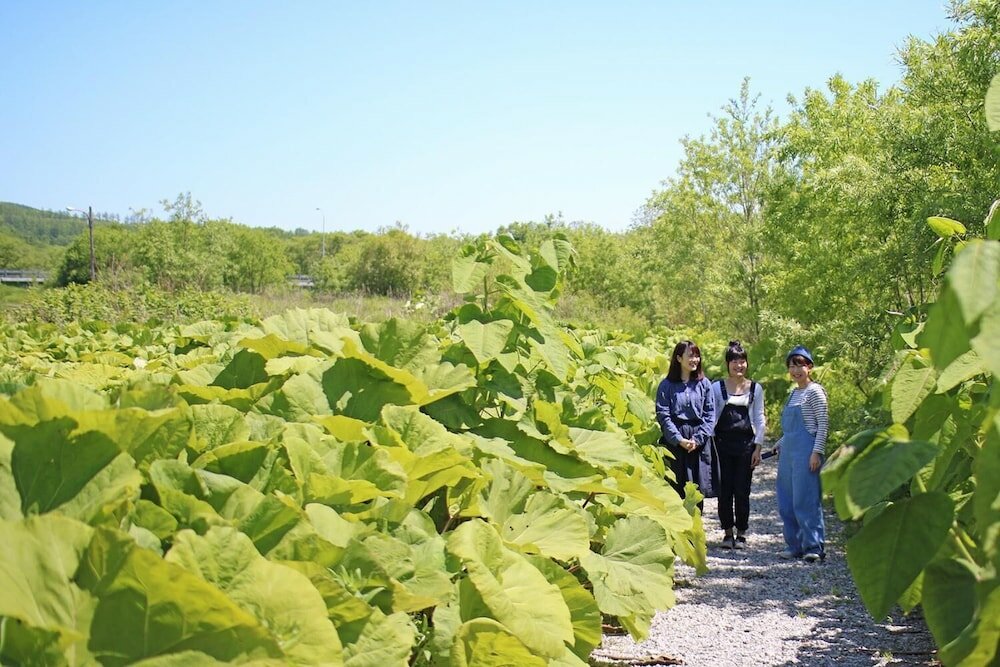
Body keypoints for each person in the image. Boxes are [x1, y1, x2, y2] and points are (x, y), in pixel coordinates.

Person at [775, 345, 828, 562]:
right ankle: (794, 545)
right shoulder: (794, 393)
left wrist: (817, 452)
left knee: (805, 499)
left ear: (809, 367)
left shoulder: (815, 391)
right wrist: (779, 443)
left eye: (800, 365)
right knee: (786, 500)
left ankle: (813, 546)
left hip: (807, 452)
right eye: (792, 366)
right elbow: (791, 430)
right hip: (788, 453)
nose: (796, 370)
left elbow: (822, 424)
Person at [711, 341, 765, 550]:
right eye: (734, 361)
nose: (738, 365)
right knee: (725, 490)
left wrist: (758, 447)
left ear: (747, 363)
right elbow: (711, 416)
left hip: (746, 446)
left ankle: (741, 532)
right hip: (721, 445)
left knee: (742, 490)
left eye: (742, 361)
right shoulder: (717, 387)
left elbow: (760, 419)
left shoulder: (755, 388)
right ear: (727, 364)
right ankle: (726, 532)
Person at [656, 340, 717, 506]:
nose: (695, 360)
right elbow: (663, 415)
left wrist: (698, 439)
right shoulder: (666, 385)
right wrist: (678, 439)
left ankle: (696, 527)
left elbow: (710, 414)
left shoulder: (704, 384)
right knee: (675, 491)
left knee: (696, 492)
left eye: (697, 356)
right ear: (678, 358)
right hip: (675, 441)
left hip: (698, 442)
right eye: (690, 356)